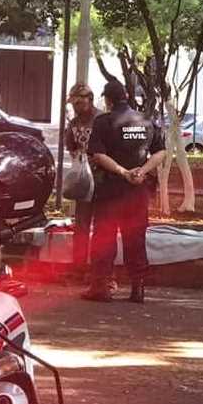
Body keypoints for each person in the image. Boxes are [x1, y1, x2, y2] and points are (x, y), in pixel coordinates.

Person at [81, 80, 165, 304]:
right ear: (126, 96)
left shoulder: (103, 122)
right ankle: (138, 288)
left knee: (104, 238)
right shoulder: (146, 120)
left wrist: (123, 172)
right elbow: (161, 152)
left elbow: (98, 155)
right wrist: (141, 171)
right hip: (137, 192)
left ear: (108, 100)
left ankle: (101, 288)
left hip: (110, 191)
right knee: (135, 239)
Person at [65, 83, 101, 272]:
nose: (76, 107)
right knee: (81, 225)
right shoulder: (73, 123)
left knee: (102, 227)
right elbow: (70, 145)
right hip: (84, 181)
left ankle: (99, 270)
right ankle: (78, 268)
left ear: (90, 99)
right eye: (73, 104)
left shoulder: (102, 119)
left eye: (79, 103)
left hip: (102, 179)